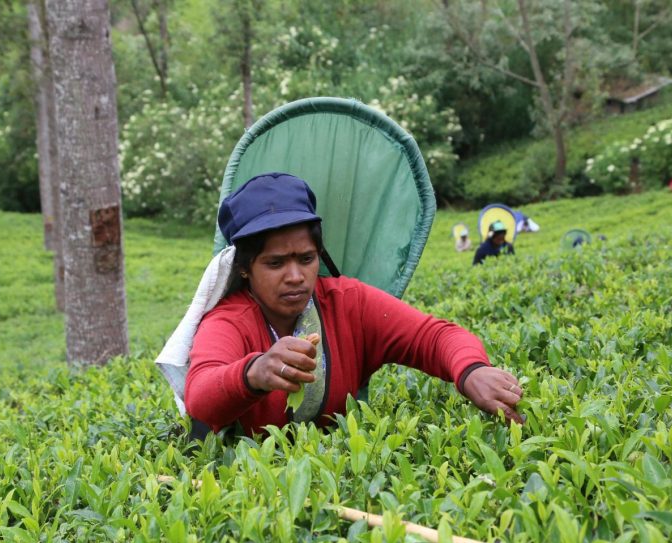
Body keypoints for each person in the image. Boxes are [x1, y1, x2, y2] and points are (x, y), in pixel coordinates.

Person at [184, 173, 524, 436]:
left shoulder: (347, 304)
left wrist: (471, 371)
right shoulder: (229, 321)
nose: (295, 276)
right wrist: (254, 372)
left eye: (306, 258)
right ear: (244, 268)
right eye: (275, 263)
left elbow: (433, 337)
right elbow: (200, 397)